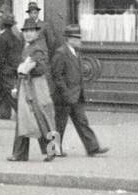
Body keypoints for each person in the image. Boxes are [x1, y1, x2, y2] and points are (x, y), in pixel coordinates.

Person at [50, 25, 107, 157]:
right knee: (59, 124)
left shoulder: (76, 53)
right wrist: (65, 92)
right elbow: (57, 76)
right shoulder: (61, 53)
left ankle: (93, 147)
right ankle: (52, 150)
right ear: (70, 39)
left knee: (82, 121)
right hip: (64, 96)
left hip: (76, 95)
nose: (80, 41)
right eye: (77, 39)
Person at [9, 19, 57, 162]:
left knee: (39, 118)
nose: (28, 34)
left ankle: (50, 150)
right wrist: (17, 85)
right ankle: (21, 153)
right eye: (25, 31)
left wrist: (29, 67)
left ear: (37, 33)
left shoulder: (38, 47)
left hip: (36, 87)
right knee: (26, 119)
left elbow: (42, 68)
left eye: (31, 31)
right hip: (28, 86)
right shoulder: (28, 47)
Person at [0, 8, 22, 126]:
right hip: (12, 71)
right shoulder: (15, 38)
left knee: (12, 98)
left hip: (5, 72)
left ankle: (26, 120)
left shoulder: (2, 37)